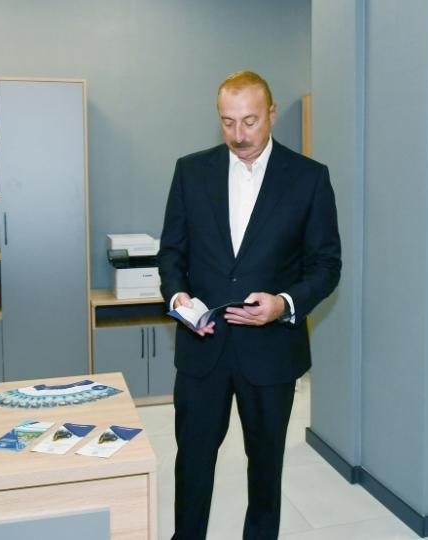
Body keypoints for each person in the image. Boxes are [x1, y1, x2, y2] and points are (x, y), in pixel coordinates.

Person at [158, 70, 341, 539]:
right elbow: (172, 253)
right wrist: (178, 296)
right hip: (203, 347)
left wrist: (284, 303)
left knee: (265, 469)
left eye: (250, 121)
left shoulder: (309, 178)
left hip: (271, 352)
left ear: (272, 114)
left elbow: (326, 265)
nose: (239, 135)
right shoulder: (190, 171)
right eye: (228, 122)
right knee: (192, 463)